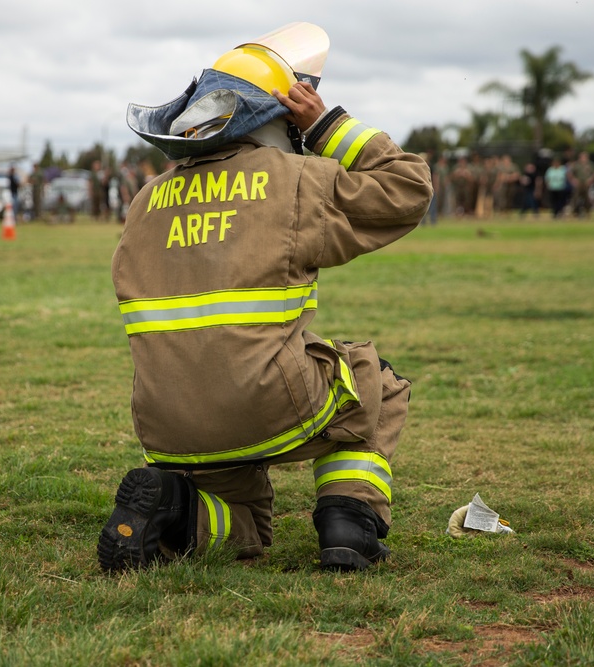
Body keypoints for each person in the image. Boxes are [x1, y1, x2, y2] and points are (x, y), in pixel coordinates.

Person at [98, 22, 432, 574]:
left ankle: (175, 510)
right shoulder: (295, 180)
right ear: (281, 119)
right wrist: (328, 125)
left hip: (169, 428)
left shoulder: (145, 201)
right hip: (271, 402)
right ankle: (350, 523)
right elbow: (407, 189)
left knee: (241, 523)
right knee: (376, 382)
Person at [567, 151, 594, 217]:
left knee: (587, 198)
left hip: (587, 184)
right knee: (576, 198)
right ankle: (575, 211)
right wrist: (573, 180)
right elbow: (569, 173)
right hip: (579, 184)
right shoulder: (576, 164)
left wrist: (592, 180)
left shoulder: (590, 164)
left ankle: (587, 211)